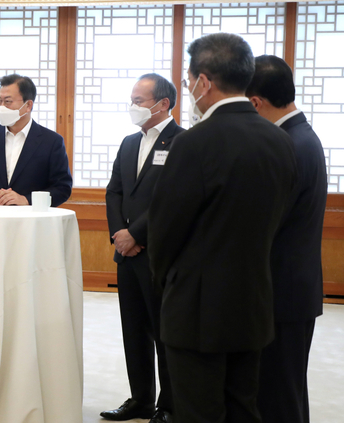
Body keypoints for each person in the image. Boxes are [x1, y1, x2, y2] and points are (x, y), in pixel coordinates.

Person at [148, 33, 297, 423]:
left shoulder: (193, 143)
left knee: (199, 411)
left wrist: (169, 283)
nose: (189, 86)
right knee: (243, 407)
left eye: (189, 79)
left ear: (204, 81)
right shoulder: (280, 141)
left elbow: (165, 232)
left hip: (196, 310)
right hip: (253, 303)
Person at [246, 55, 327, 423]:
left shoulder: (289, 146)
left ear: (255, 102)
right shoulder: (300, 136)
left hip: (283, 290)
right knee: (284, 389)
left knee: (279, 394)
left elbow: (266, 221)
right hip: (292, 286)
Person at [102, 74, 184, 423]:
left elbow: (174, 199)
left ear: (163, 104)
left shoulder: (183, 143)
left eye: (139, 100)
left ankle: (169, 406)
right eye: (132, 99)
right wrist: (119, 233)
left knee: (164, 333)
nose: (133, 106)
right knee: (133, 331)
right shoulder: (127, 143)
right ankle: (140, 399)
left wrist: (135, 233)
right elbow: (114, 192)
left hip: (159, 253)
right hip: (127, 254)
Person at [0, 74, 72, 206]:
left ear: (28, 105)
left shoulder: (52, 141)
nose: (1, 107)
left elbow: (62, 188)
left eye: (8, 101)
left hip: (31, 221)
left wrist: (26, 200)